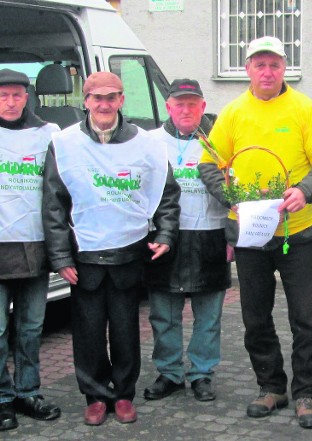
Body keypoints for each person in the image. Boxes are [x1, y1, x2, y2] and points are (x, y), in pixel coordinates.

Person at [199, 36, 312, 429]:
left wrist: (305, 190)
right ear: (247, 69)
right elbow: (208, 164)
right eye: (259, 65)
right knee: (255, 316)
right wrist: (232, 197)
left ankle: (306, 392)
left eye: (274, 65)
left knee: (306, 318)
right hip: (252, 235)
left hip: (300, 232)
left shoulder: (304, 108)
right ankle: (271, 386)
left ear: (284, 68)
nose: (267, 72)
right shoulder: (232, 112)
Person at [42, 71, 180, 426]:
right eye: (96, 97)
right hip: (83, 256)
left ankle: (123, 394)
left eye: (112, 97)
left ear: (122, 100)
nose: (104, 104)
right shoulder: (65, 143)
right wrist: (59, 257)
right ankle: (95, 396)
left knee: (125, 330)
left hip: (127, 253)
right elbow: (54, 204)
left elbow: (166, 193)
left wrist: (165, 234)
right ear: (85, 100)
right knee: (87, 332)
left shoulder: (146, 144)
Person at [144, 78, 230, 403]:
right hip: (165, 239)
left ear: (203, 107)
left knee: (208, 317)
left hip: (211, 236)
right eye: (179, 103)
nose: (186, 109)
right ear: (168, 107)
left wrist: (234, 235)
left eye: (192, 103)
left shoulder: (220, 142)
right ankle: (169, 373)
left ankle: (201, 374)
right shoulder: (150, 141)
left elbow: (234, 189)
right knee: (164, 315)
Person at [0, 69, 61, 431]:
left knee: (30, 328)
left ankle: (28, 391)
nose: (10, 102)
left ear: (28, 97)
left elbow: (58, 191)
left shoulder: (47, 134)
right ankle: (3, 398)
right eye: (3, 95)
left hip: (34, 246)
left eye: (16, 95)